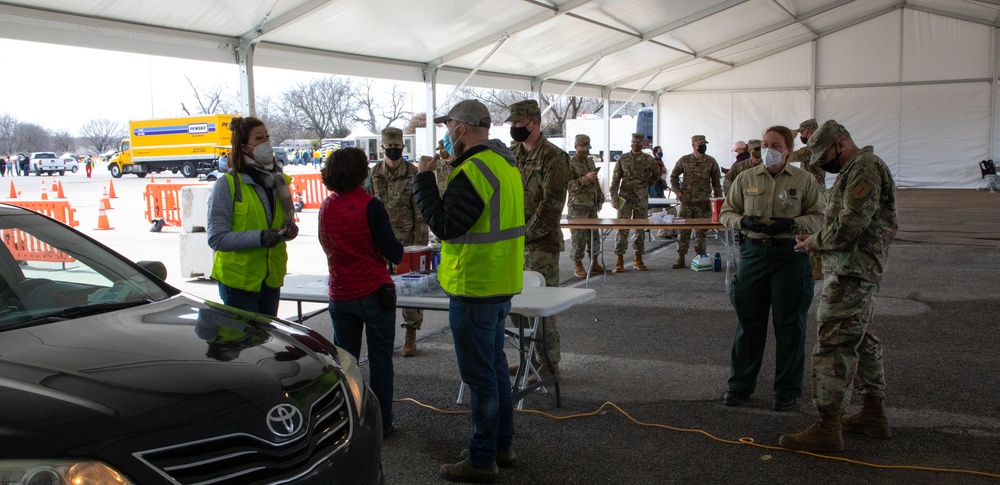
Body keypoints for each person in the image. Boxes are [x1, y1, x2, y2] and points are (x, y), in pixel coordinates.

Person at [413, 99, 525, 483]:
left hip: (475, 286)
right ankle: (502, 445)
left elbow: (445, 224)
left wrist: (424, 179)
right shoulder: (505, 164)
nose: (446, 136)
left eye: (449, 128)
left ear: (461, 129)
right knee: (494, 372)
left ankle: (482, 459)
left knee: (481, 379)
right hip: (498, 283)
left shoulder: (475, 169)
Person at [779, 120, 898, 453]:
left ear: (840, 144)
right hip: (854, 268)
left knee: (833, 344)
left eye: (824, 156)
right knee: (863, 340)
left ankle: (827, 427)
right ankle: (873, 413)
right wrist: (816, 239)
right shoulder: (856, 169)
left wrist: (814, 243)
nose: (823, 164)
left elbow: (850, 225)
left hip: (852, 271)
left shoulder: (864, 168)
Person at [719, 126, 824, 412]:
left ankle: (787, 390)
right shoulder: (745, 178)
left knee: (790, 326)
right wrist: (744, 222)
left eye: (775, 144)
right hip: (753, 255)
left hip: (789, 256)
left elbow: (819, 216)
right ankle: (740, 385)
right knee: (749, 324)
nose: (768, 149)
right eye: (765, 144)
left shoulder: (805, 180)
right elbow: (726, 212)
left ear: (788, 149)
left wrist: (792, 224)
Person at [319, 146, 403, 440]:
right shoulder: (371, 205)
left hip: (340, 294)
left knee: (345, 362)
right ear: (361, 174)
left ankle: (347, 419)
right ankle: (383, 423)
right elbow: (393, 250)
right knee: (381, 360)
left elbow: (326, 244)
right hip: (373, 290)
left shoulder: (326, 206)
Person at [207, 116, 298, 316]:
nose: (266, 143)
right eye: (258, 138)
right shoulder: (228, 184)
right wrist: (260, 237)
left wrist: (288, 231)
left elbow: (280, 224)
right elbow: (216, 238)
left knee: (266, 343)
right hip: (239, 283)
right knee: (245, 344)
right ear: (244, 147)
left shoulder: (278, 181)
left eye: (267, 136)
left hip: (270, 280)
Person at [507, 99, 569, 382]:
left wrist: (523, 235)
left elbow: (551, 207)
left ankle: (549, 365)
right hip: (511, 243)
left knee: (541, 309)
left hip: (540, 243)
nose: (514, 128)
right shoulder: (511, 154)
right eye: (512, 123)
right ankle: (527, 360)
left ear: (534, 122)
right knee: (515, 307)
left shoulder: (553, 157)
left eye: (518, 123)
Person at [368, 127, 429, 357]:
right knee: (381, 291)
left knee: (410, 292)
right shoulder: (374, 174)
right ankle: (385, 336)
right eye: (390, 147)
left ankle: (411, 334)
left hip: (406, 243)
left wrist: (419, 248)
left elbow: (420, 214)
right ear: (382, 147)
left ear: (403, 147)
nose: (394, 150)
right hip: (379, 244)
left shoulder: (413, 174)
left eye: (398, 147)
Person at [669, 135, 723, 269]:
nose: (703, 146)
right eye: (700, 143)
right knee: (683, 231)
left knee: (701, 232)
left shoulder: (711, 161)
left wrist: (718, 201)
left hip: (703, 202)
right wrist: (677, 191)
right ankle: (680, 257)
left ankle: (701, 257)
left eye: (704, 143)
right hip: (687, 202)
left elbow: (716, 183)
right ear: (693, 145)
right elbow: (673, 176)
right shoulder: (684, 160)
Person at [609, 133, 660, 272]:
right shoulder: (623, 158)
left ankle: (638, 258)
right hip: (624, 198)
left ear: (643, 144)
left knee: (640, 229)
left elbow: (656, 174)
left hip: (641, 198)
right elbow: (615, 180)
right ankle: (619, 258)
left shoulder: (648, 159)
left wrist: (646, 184)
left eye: (638, 142)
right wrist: (614, 198)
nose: (635, 144)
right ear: (630, 142)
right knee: (622, 229)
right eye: (633, 142)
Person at [567, 134, 605, 278]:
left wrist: (600, 198)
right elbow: (568, 185)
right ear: (576, 147)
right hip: (577, 207)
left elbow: (595, 183)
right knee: (579, 237)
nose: (586, 151)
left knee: (594, 236)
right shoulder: (570, 164)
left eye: (587, 148)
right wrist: (585, 179)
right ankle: (578, 264)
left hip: (591, 206)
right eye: (582, 148)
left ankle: (594, 262)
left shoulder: (590, 162)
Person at [790, 118, 825, 187]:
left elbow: (787, 157)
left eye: (802, 133)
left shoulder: (812, 149)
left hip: (814, 189)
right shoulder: (819, 145)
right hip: (813, 187)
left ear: (809, 132)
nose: (801, 136)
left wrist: (789, 138)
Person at [647, 145, 673, 239]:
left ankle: (669, 232)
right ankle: (663, 232)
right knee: (670, 211)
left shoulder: (658, 181)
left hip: (656, 203)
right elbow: (656, 199)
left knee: (671, 209)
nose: (664, 171)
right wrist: (665, 203)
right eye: (659, 151)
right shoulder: (654, 182)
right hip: (653, 206)